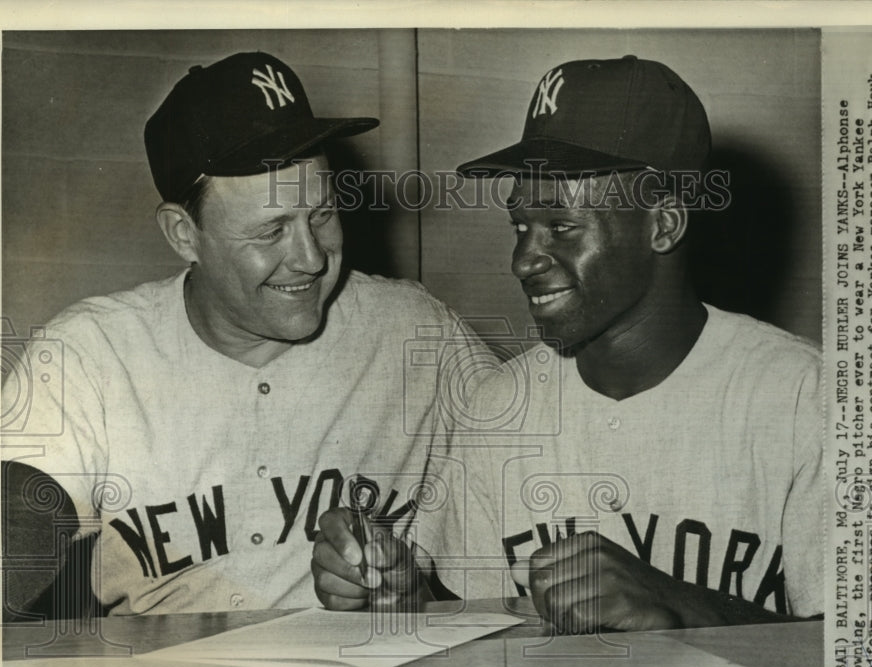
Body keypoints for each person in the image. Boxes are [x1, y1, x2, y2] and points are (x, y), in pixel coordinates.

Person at [312, 56, 825, 634]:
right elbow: (475, 642)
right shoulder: (495, 407)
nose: (523, 260)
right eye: (519, 226)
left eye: (561, 227)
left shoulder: (807, 399)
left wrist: (684, 605)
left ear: (663, 224)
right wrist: (403, 598)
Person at [1, 51, 484, 617]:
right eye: (271, 230)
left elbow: (552, 481)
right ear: (184, 234)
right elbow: (9, 537)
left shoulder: (416, 333)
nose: (309, 258)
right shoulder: (92, 355)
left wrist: (415, 595)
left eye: (322, 215)